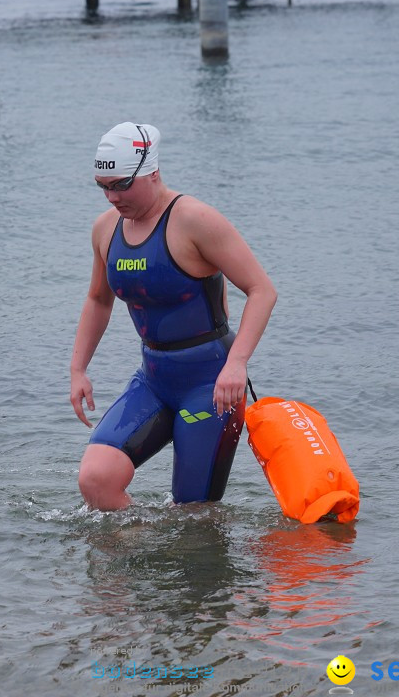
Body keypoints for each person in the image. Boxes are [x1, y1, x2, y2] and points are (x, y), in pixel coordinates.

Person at [70, 121, 277, 511]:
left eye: (121, 185)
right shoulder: (105, 229)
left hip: (212, 385)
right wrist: (78, 369)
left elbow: (262, 290)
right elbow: (99, 300)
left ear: (152, 172)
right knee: (96, 481)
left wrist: (237, 364)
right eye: (103, 186)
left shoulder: (195, 220)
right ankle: (135, 561)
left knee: (193, 517)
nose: (112, 197)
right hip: (153, 379)